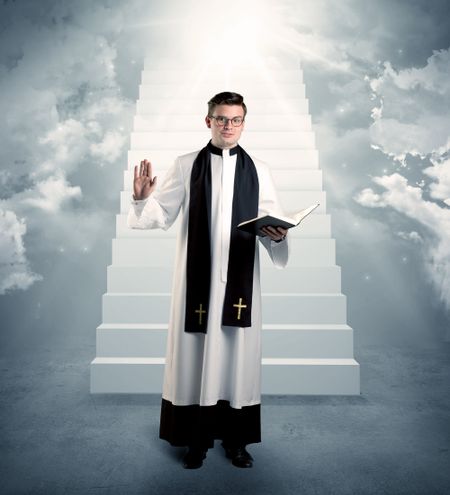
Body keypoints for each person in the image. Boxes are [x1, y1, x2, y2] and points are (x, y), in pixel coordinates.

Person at [127, 92, 289, 469]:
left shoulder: (259, 169)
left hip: (239, 283)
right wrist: (140, 201)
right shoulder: (186, 165)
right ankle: (194, 441)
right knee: (193, 357)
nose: (228, 125)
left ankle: (236, 441)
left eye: (235, 120)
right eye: (220, 119)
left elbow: (271, 219)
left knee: (237, 360)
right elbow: (160, 215)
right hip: (195, 283)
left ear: (244, 123)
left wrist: (276, 235)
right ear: (208, 121)